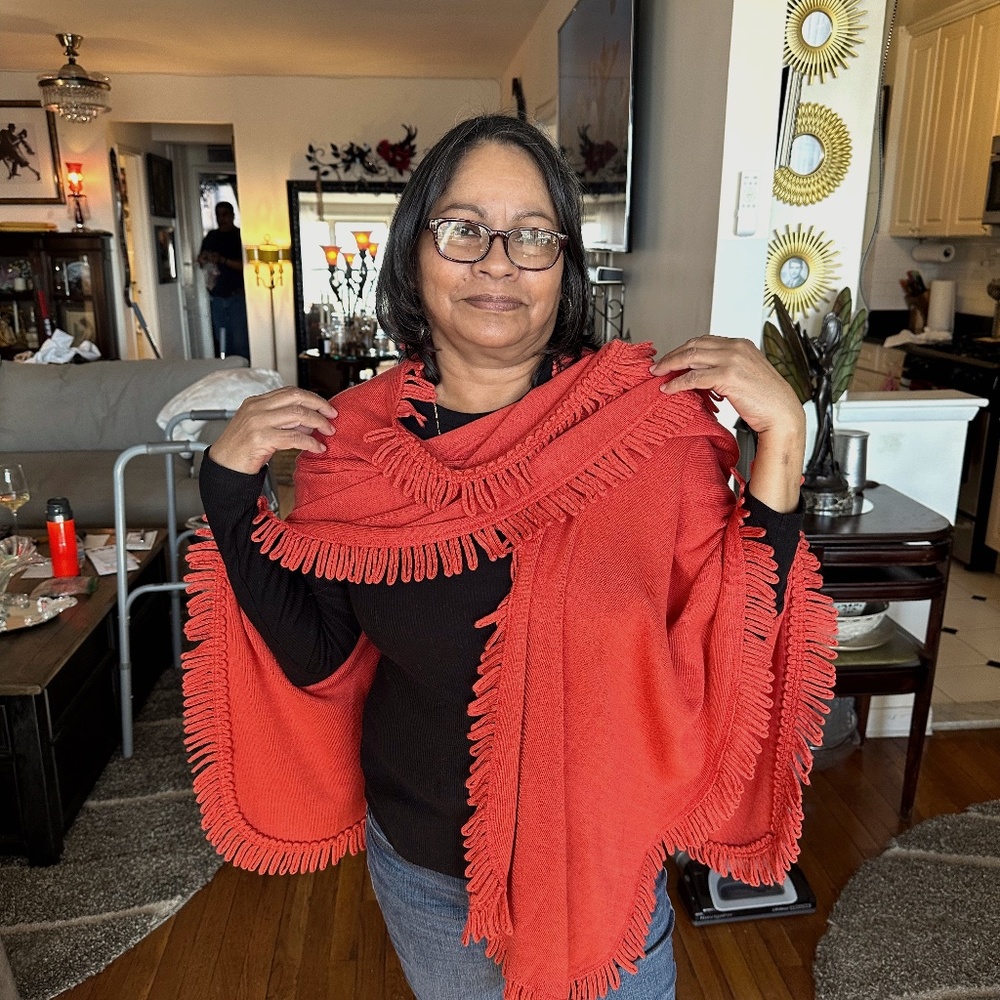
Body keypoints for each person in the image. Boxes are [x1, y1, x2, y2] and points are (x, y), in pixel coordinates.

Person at [189, 114, 835, 1000]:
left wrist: (785, 435)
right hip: (422, 872)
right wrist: (225, 491)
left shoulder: (649, 433)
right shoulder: (355, 446)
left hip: (601, 863)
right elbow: (321, 652)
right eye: (465, 230)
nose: (500, 261)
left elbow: (738, 628)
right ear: (414, 249)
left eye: (533, 235)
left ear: (563, 263)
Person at [197, 201, 250, 360]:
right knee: (222, 343)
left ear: (233, 215)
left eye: (225, 214)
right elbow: (200, 261)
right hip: (217, 297)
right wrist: (204, 259)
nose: (222, 218)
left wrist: (222, 260)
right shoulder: (212, 236)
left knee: (241, 343)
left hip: (237, 297)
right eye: (218, 214)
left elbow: (246, 266)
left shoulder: (239, 236)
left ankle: (245, 375)